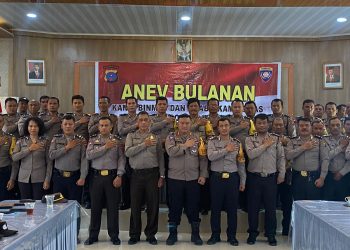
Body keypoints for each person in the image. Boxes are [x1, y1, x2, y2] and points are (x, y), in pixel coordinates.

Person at [165, 114, 208, 246]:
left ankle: (195, 235)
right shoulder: (171, 137)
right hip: (175, 179)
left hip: (193, 179)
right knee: (174, 208)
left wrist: (203, 174)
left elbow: (203, 158)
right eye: (182, 123)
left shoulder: (197, 138)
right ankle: (172, 235)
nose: (184, 125)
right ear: (178, 124)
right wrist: (185, 145)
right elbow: (170, 152)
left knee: (194, 207)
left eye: (187, 123)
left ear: (191, 124)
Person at [245, 114, 285, 246]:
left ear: (268, 124)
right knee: (253, 208)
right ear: (255, 125)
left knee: (271, 208)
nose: (262, 125)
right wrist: (265, 146)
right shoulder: (249, 139)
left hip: (270, 178)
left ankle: (271, 234)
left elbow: (281, 158)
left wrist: (282, 174)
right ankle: (252, 233)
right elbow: (251, 155)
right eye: (259, 123)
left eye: (264, 123)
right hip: (254, 178)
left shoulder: (276, 139)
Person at [125, 111, 165, 245]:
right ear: (137, 122)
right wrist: (144, 144)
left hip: (152, 175)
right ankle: (134, 234)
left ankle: (151, 234)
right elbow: (128, 152)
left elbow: (160, 158)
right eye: (141, 120)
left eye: (145, 120)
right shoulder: (131, 136)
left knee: (153, 206)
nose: (143, 122)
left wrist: (162, 175)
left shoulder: (156, 137)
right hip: (136, 175)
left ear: (150, 122)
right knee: (135, 206)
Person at [84, 117, 125, 246]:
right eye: (101, 125)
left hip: (112, 177)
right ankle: (93, 236)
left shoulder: (117, 141)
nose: (104, 127)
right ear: (98, 127)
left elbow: (121, 159)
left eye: (106, 125)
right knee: (95, 208)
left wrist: (119, 175)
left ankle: (114, 236)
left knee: (113, 208)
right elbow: (89, 155)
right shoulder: (93, 140)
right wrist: (105, 147)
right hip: (96, 178)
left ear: (111, 126)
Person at [206, 117, 246, 246]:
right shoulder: (212, 142)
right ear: (217, 128)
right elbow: (211, 157)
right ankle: (215, 235)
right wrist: (226, 150)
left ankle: (231, 236)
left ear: (230, 127)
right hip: (216, 178)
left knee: (232, 209)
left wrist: (243, 181)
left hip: (232, 178)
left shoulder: (237, 143)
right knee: (215, 208)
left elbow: (240, 163)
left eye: (226, 125)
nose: (224, 128)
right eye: (221, 126)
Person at [286, 118, 329, 201]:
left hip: (314, 177)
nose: (304, 127)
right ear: (297, 127)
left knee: (314, 206)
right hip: (297, 177)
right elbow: (288, 156)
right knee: (298, 204)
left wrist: (322, 178)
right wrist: (303, 147)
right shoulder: (292, 141)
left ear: (311, 127)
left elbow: (325, 160)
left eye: (307, 125)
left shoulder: (319, 141)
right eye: (301, 125)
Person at [9, 117, 52, 200]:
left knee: (39, 204)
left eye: (36, 126)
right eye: (31, 126)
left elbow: (49, 162)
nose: (33, 128)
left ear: (40, 127)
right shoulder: (21, 141)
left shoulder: (45, 141)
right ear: (27, 127)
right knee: (25, 204)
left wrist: (47, 179)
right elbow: (14, 158)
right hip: (23, 178)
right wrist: (29, 149)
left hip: (40, 178)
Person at [150, 96, 175, 205]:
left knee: (170, 178)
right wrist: (165, 122)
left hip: (169, 153)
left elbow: (175, 134)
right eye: (159, 104)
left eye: (164, 104)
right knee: (154, 178)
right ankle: (152, 203)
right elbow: (149, 129)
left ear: (167, 106)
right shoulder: (151, 119)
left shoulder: (173, 119)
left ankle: (170, 202)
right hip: (154, 153)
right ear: (156, 106)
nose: (161, 106)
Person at [271, 117, 293, 236]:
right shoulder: (268, 138)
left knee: (287, 204)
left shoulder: (289, 140)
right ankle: (270, 230)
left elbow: (290, 156)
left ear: (284, 126)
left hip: (287, 175)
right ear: (272, 125)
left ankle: (286, 230)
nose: (278, 127)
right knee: (271, 204)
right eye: (276, 125)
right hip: (272, 174)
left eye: (281, 125)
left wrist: (283, 146)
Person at [118, 96, 139, 210]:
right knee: (125, 178)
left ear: (137, 105)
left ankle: (139, 203)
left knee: (137, 178)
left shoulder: (142, 117)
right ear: (126, 105)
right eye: (129, 103)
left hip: (138, 151)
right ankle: (125, 202)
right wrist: (135, 126)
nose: (131, 105)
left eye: (133, 103)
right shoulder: (121, 118)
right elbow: (121, 131)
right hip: (125, 150)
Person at [323, 117, 350, 201]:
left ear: (342, 127)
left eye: (338, 125)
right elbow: (326, 157)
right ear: (328, 127)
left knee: (343, 203)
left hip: (344, 176)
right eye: (333, 125)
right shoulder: (324, 140)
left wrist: (341, 173)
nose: (335, 127)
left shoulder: (348, 140)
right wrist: (341, 147)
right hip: (328, 176)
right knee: (327, 203)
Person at [0, 115, 17, 201]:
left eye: (0, 121)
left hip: (5, 173)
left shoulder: (10, 138)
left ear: (3, 123)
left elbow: (13, 160)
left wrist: (12, 179)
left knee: (5, 202)